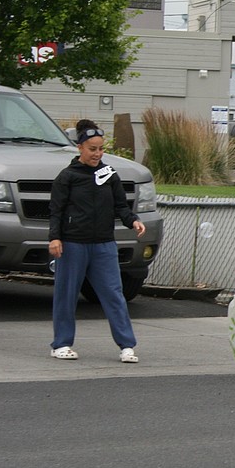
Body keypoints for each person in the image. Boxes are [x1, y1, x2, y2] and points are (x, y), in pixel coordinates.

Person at [47, 119, 147, 363]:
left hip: (103, 244)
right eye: (92, 149)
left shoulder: (109, 174)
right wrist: (55, 238)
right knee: (66, 293)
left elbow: (120, 206)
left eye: (101, 149)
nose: (97, 154)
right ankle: (61, 344)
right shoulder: (67, 176)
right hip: (73, 244)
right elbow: (56, 210)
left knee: (114, 294)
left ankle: (126, 345)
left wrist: (132, 220)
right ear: (80, 147)